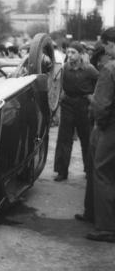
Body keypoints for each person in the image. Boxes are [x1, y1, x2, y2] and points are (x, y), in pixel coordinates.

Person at [84, 28, 115, 242]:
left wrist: (100, 123)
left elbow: (102, 105)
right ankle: (92, 213)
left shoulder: (109, 68)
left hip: (108, 127)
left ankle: (105, 227)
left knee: (101, 172)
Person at [53, 41, 99, 181]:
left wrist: (93, 96)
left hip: (84, 105)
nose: (70, 55)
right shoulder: (65, 68)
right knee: (64, 139)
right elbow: (58, 86)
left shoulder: (89, 69)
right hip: (68, 105)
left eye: (73, 52)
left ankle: (89, 170)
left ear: (80, 54)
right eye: (68, 52)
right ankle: (62, 171)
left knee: (87, 139)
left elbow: (101, 82)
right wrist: (57, 103)